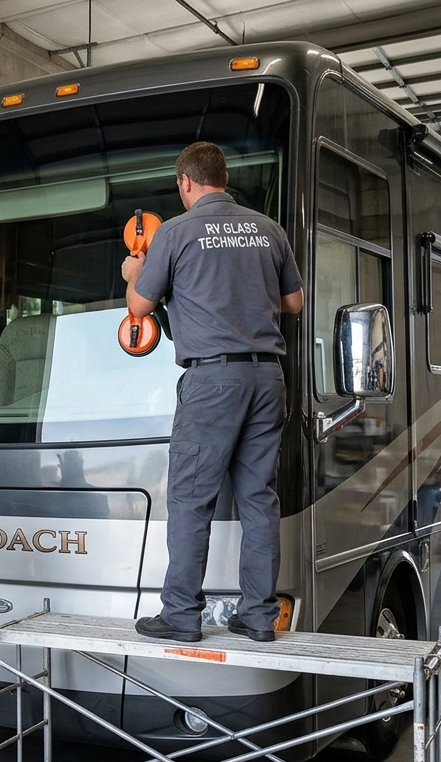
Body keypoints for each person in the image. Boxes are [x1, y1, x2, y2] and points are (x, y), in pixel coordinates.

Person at [120, 142, 304, 643]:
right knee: (259, 500)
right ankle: (260, 617)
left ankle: (181, 615)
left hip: (212, 381)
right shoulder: (268, 229)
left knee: (190, 498)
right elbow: (294, 301)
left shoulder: (176, 233)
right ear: (222, 177)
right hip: (268, 377)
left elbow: (139, 307)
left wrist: (134, 272)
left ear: (186, 182)